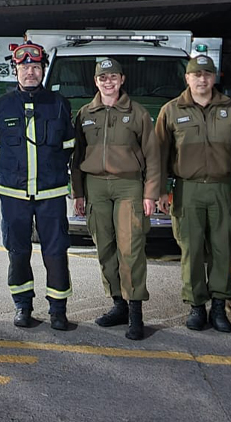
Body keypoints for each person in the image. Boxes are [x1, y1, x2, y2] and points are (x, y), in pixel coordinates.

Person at [0, 41, 75, 331]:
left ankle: (58, 309)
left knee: (56, 252)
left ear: (43, 70)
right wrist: (13, 174)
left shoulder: (59, 104)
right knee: (18, 251)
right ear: (15, 70)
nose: (30, 72)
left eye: (35, 67)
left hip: (51, 193)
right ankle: (23, 306)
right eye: (24, 67)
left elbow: (68, 147)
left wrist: (51, 171)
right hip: (14, 195)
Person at [155, 55, 231, 333]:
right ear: (187, 78)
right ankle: (196, 306)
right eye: (197, 75)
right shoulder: (171, 110)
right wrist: (160, 190)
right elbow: (159, 156)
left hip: (223, 188)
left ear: (215, 77)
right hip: (188, 189)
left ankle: (219, 306)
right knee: (192, 250)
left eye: (207, 74)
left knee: (221, 250)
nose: (202, 79)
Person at [71, 58, 160, 340]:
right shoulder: (85, 113)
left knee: (131, 248)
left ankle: (135, 313)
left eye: (113, 77)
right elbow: (76, 157)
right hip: (95, 185)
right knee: (105, 248)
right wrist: (78, 193)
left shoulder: (138, 114)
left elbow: (153, 156)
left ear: (122, 80)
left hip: (128, 185)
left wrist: (150, 193)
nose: (108, 82)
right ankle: (118, 305)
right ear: (95, 82)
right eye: (102, 78)